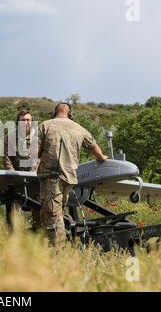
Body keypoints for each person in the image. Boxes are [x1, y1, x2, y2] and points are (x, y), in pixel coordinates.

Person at [37, 103, 108, 247]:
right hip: (69, 180)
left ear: (55, 112)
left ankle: (58, 253)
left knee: (53, 217)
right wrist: (102, 157)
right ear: (70, 114)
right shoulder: (79, 128)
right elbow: (95, 149)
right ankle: (55, 248)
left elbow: (35, 152)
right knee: (58, 214)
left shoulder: (45, 125)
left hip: (52, 178)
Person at [3, 110, 41, 230]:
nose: (26, 123)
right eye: (23, 120)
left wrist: (33, 172)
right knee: (14, 216)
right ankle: (15, 240)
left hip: (36, 180)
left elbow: (41, 156)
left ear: (32, 121)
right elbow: (6, 157)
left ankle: (39, 237)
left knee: (39, 212)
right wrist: (13, 172)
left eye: (28, 120)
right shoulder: (10, 137)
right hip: (17, 180)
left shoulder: (39, 136)